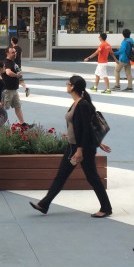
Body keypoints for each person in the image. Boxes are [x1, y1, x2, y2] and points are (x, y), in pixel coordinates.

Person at [30, 75, 113, 218]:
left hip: (82, 149)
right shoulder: (76, 103)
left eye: (68, 83)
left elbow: (87, 129)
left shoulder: (83, 105)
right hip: (73, 146)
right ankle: (44, 204)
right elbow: (82, 127)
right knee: (61, 176)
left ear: (73, 86)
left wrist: (81, 150)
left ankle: (106, 208)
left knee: (92, 177)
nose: (66, 85)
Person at [2, 46, 32, 127]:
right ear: (7, 53)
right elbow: (8, 72)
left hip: (14, 90)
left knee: (18, 106)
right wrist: (16, 75)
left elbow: (20, 76)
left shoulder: (14, 63)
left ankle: (23, 124)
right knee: (3, 109)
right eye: (13, 52)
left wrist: (25, 86)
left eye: (15, 52)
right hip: (7, 90)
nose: (15, 54)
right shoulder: (6, 62)